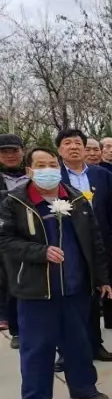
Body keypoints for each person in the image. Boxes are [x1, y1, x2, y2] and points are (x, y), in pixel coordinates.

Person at [0, 147, 112, 399]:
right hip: (36, 290)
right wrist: (40, 252)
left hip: (75, 287)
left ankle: (83, 388)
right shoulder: (15, 202)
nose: (48, 170)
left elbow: (94, 241)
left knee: (78, 343)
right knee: (37, 347)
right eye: (41, 165)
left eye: (52, 164)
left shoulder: (76, 199)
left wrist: (101, 278)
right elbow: (5, 241)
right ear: (29, 170)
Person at [57, 128, 112, 364]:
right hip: (65, 246)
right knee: (67, 298)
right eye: (67, 143)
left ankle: (95, 345)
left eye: (78, 143)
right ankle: (66, 352)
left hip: (98, 244)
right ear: (59, 150)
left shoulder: (102, 176)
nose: (73, 147)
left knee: (95, 296)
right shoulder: (54, 176)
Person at [0, 134, 28, 349]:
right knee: (10, 284)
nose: (10, 155)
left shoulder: (33, 174)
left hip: (34, 237)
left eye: (14, 150)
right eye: (4, 152)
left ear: (22, 151)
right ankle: (17, 330)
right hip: (6, 239)